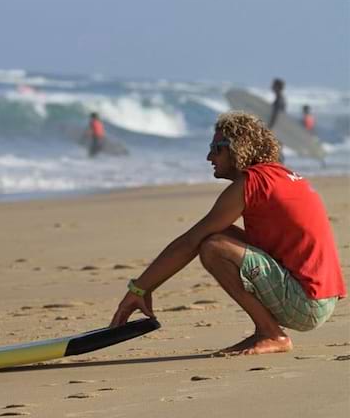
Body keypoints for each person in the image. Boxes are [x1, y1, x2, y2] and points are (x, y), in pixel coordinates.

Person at [110, 111, 345, 355]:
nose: (209, 156)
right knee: (220, 233)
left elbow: (190, 241)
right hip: (320, 297)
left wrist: (139, 289)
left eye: (216, 148)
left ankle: (271, 334)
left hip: (306, 305)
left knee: (213, 247)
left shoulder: (250, 183)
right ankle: (268, 331)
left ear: (236, 148)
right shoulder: (280, 175)